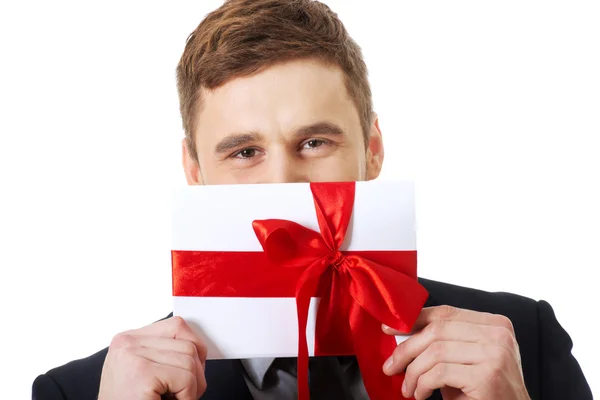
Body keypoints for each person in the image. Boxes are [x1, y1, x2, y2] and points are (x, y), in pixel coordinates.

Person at [32, 0, 592, 399]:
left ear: (372, 151)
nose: (285, 183)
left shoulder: (519, 342)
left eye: (315, 142)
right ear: (194, 171)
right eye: (244, 152)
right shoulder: (84, 390)